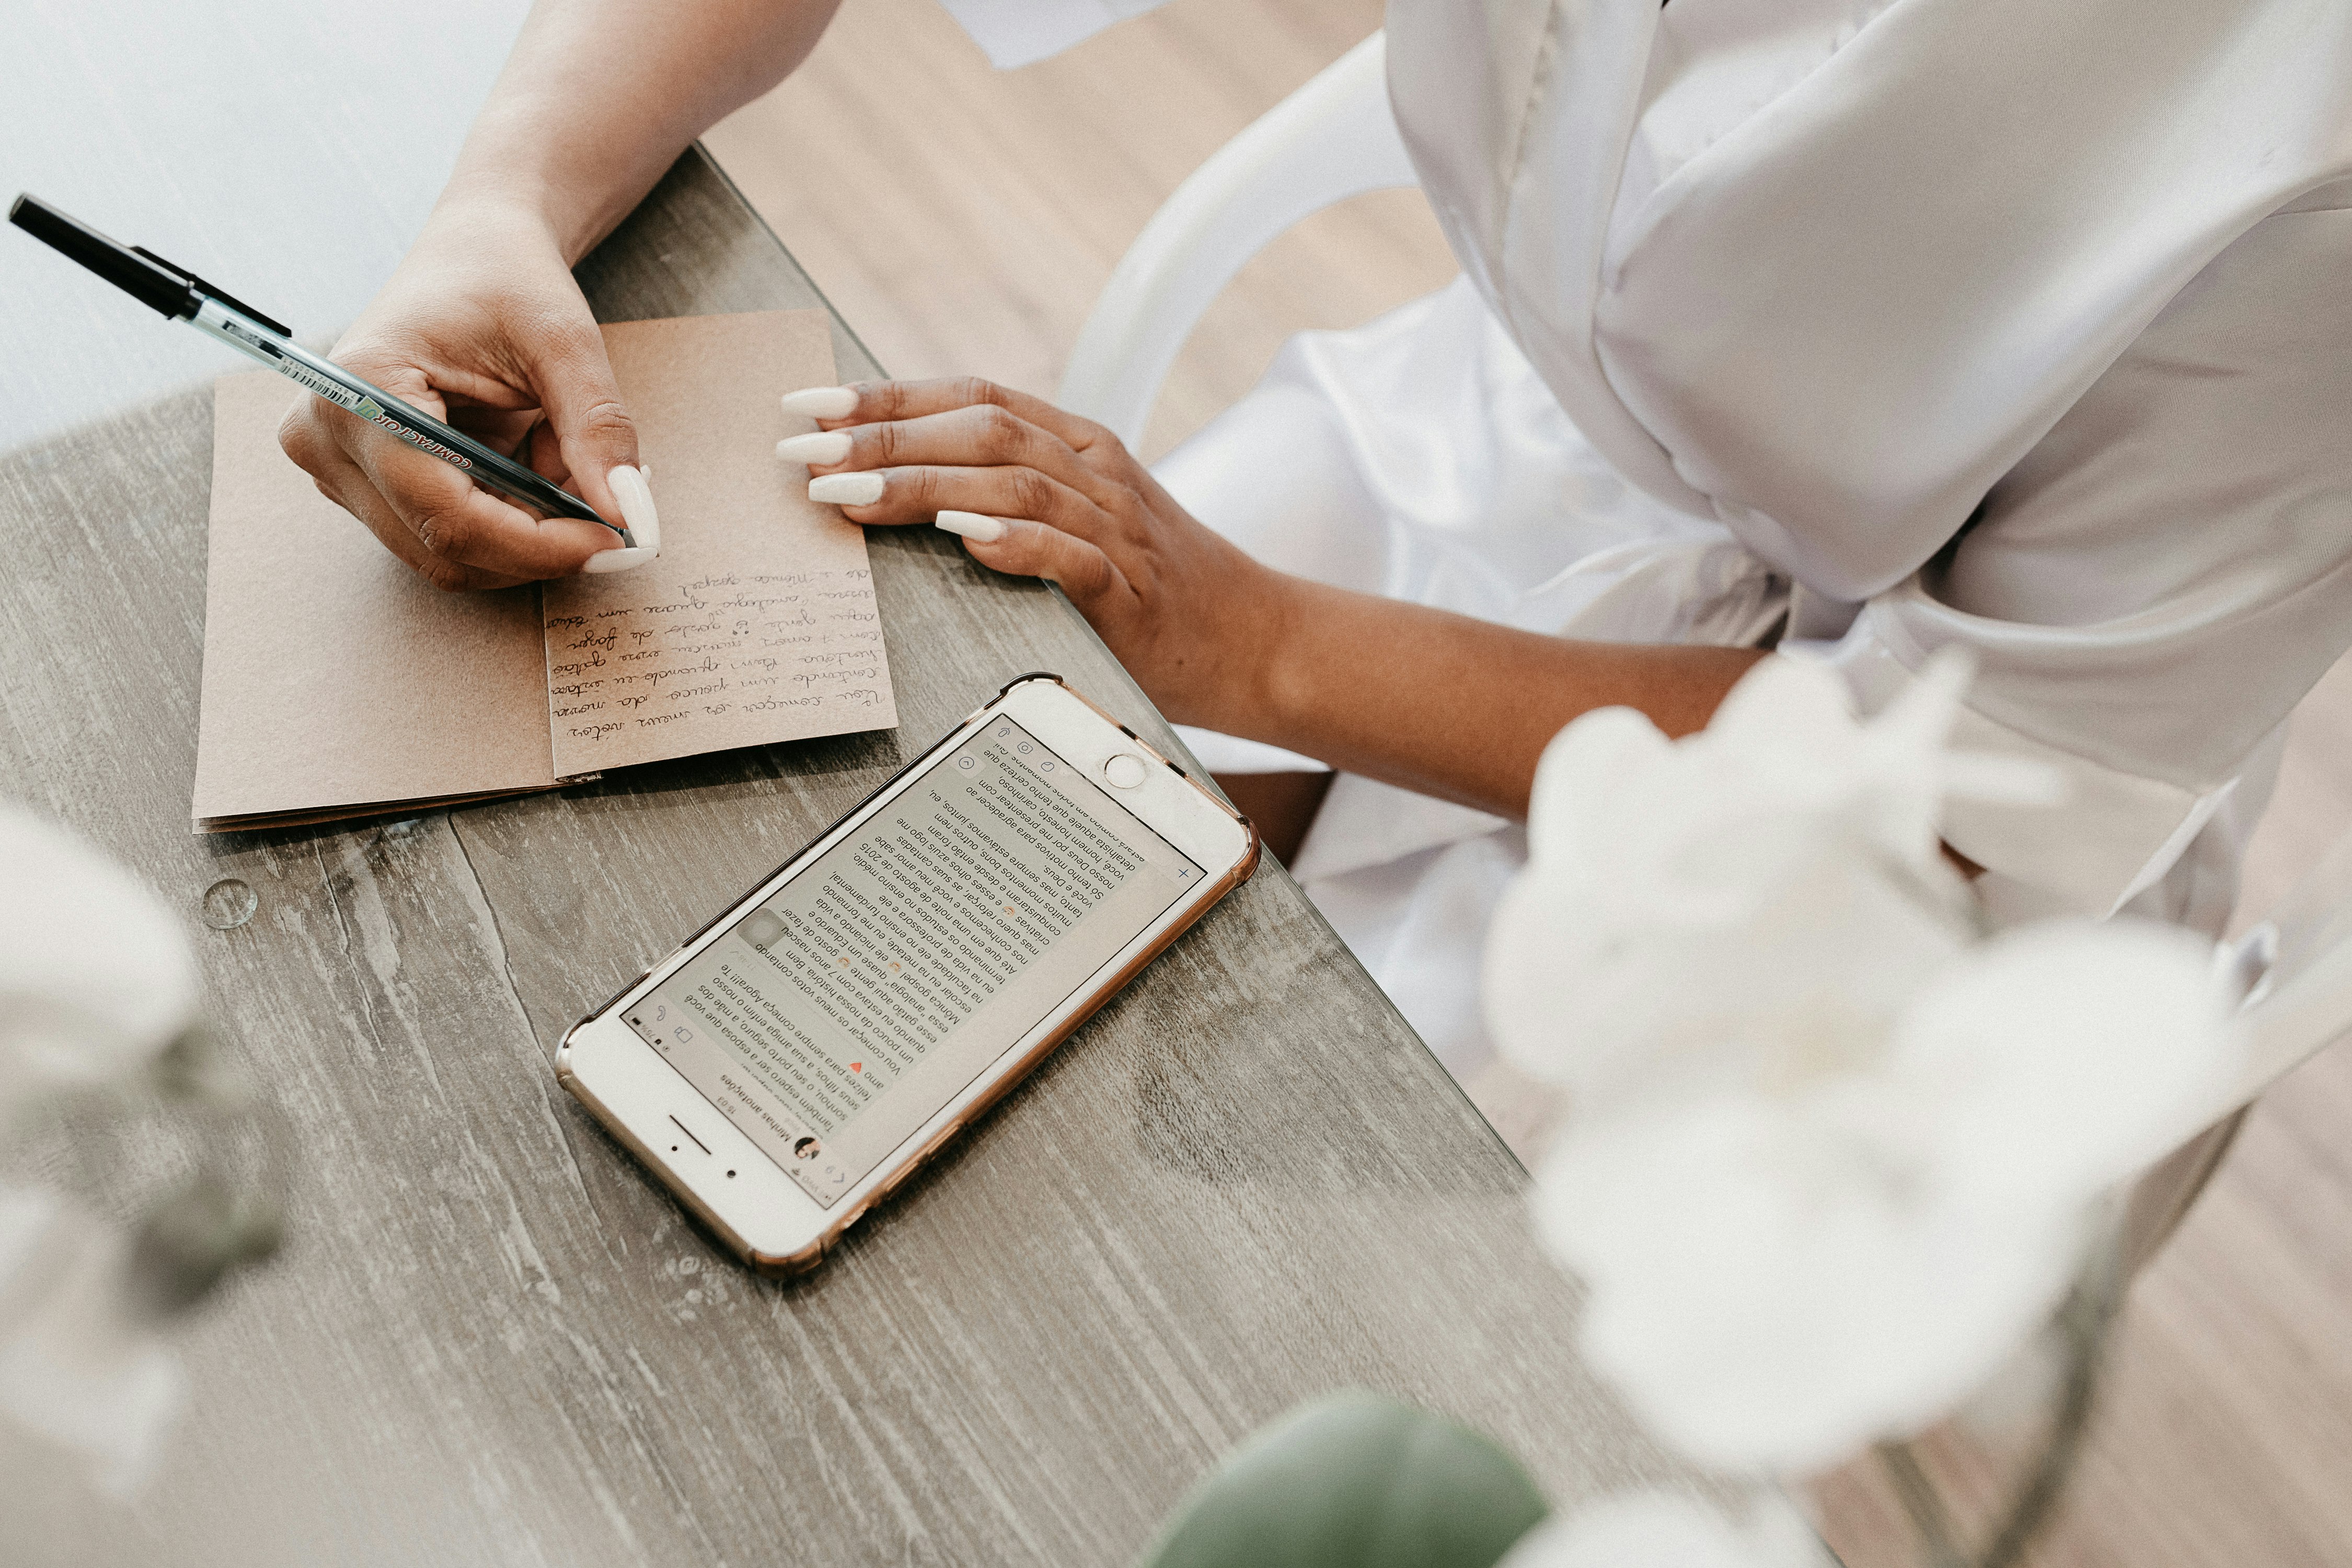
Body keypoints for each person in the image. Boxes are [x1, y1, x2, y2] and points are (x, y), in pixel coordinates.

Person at [284, 0, 2352, 1092]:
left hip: (1905, 824)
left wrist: (1253, 643)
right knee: (869, 909)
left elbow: (1978, 798)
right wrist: (504, 198)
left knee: (1248, 1246)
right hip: (1501, 443)